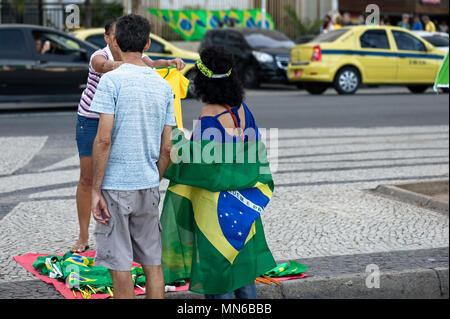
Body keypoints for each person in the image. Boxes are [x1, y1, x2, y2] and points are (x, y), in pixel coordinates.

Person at [160, 45, 277, 299]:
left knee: (217, 277)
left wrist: (173, 138)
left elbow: (199, 165)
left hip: (215, 212)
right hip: (245, 207)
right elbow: (253, 154)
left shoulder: (209, 116)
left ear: (203, 81)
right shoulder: (244, 110)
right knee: (243, 274)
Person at [72, 17, 185, 253]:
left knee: (116, 175)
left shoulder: (137, 56)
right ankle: (83, 237)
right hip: (91, 121)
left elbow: (153, 63)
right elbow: (103, 65)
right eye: (114, 36)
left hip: (117, 119)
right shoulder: (99, 55)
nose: (118, 40)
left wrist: (171, 61)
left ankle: (123, 232)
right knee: (88, 178)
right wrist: (124, 67)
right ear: (108, 39)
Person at [90, 13, 175, 299]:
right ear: (148, 44)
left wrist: (95, 189)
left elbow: (103, 140)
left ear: (115, 41)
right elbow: (167, 148)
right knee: (153, 263)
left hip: (115, 185)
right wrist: (154, 177)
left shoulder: (111, 81)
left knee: (120, 265)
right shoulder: (164, 87)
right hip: (148, 183)